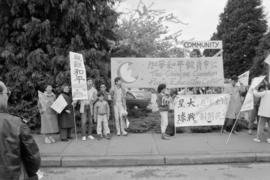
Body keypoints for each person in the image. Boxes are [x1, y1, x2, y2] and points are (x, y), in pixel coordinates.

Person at [0, 82, 41, 180]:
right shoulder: (16, 123)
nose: (8, 97)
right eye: (7, 93)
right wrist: (32, 175)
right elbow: (33, 158)